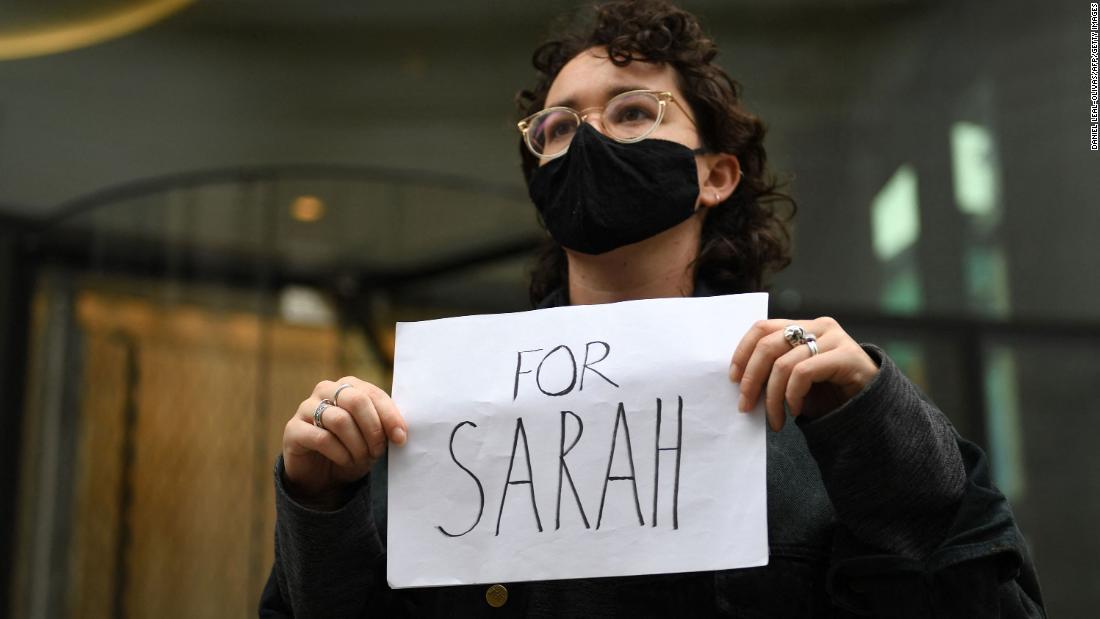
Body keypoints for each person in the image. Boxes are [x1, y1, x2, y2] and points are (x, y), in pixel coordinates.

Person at [259, 1, 1045, 616]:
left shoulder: (819, 414)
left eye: (634, 113)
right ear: (539, 180)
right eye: (559, 126)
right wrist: (320, 499)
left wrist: (873, 425)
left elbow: (986, 599)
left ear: (717, 176)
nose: (590, 138)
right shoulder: (436, 423)